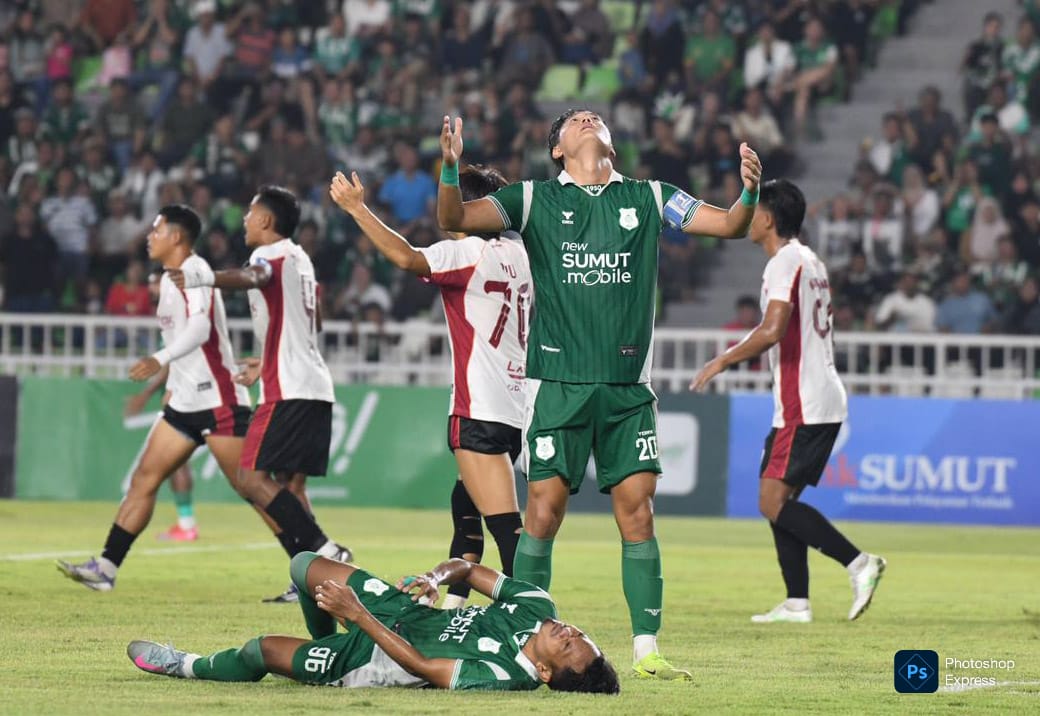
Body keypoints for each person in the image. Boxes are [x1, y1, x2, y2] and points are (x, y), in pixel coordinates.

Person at [435, 108, 763, 680]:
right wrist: (448, 167)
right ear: (557, 149)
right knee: (542, 515)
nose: (588, 120)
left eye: (595, 117)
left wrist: (751, 194)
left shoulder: (652, 197)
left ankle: (647, 650)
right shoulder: (533, 199)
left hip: (626, 390)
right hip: (559, 387)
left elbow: (731, 224)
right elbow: (454, 216)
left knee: (639, 515)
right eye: (575, 120)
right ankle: (525, 636)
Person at [330, 164, 527, 612]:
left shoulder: (469, 252)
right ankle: (454, 605)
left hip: (480, 405)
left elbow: (405, 256)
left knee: (507, 529)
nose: (444, 208)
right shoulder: (523, 254)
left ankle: (533, 621)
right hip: (518, 406)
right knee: (467, 499)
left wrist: (359, 210)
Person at [690, 179, 886, 624]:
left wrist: (722, 360)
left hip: (806, 402)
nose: (747, 214)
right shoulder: (810, 260)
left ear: (767, 218)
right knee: (778, 496)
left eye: (753, 207)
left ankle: (860, 563)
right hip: (810, 398)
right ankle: (797, 601)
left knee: (771, 500)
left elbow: (774, 328)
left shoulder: (784, 261)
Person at [56, 206, 252, 590]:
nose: (150, 235)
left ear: (177, 236)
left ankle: (316, 552)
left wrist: (158, 360)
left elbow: (199, 330)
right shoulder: (167, 280)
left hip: (217, 398)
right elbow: (184, 341)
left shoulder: (196, 272)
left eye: (157, 228)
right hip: (185, 403)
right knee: (144, 479)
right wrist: (172, 384)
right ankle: (106, 568)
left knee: (254, 487)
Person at [169, 186, 349, 603]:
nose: (245, 218)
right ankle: (316, 581)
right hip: (312, 383)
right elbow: (313, 319)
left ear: (266, 221)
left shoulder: (268, 256)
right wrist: (265, 359)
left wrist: (203, 276)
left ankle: (324, 550)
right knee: (291, 486)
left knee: (250, 479)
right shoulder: (302, 259)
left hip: (288, 389)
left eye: (250, 212)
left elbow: (256, 278)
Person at [127, 553, 619, 693]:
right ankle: (321, 646)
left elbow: (425, 666)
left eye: (573, 647)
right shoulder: (537, 607)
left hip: (377, 657)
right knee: (303, 566)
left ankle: (184, 665)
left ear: (552, 674)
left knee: (259, 651)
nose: (570, 633)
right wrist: (434, 577)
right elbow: (467, 568)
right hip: (404, 611)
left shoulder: (506, 676)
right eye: (580, 634)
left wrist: (356, 618)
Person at [123, 363, 200, 542]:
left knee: (178, 463)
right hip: (196, 396)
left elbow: (174, 364)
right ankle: (186, 523)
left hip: (183, 398)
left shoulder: (178, 335)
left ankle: (187, 526)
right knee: (179, 463)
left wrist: (146, 394)